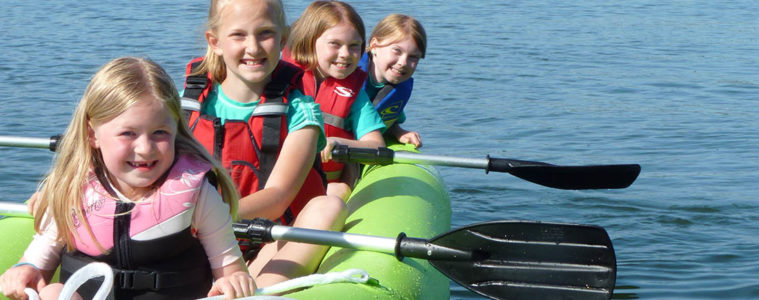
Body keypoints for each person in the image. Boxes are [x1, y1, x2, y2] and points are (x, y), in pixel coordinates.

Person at [0, 57, 255, 300]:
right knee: (52, 291)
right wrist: (25, 270)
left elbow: (232, 272)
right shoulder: (71, 191)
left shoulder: (199, 195)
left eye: (159, 132)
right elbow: (36, 266)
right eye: (128, 133)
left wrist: (233, 282)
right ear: (93, 135)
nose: (145, 148)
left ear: (176, 128)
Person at [182, 0, 347, 287]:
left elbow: (278, 197)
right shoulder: (187, 105)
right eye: (239, 35)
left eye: (265, 33)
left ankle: (260, 291)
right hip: (201, 244)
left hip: (269, 243)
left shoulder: (302, 112)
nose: (254, 47)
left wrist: (209, 219)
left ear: (283, 39)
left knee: (329, 206)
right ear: (215, 41)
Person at [286, 1, 386, 200]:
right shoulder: (281, 81)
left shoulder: (355, 95)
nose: (345, 54)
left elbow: (377, 147)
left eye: (354, 46)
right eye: (335, 44)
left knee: (337, 192)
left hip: (328, 187)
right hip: (283, 182)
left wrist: (338, 142)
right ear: (309, 41)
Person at [359, 14, 426, 148]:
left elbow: (387, 122)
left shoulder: (397, 89)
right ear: (374, 46)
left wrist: (398, 132)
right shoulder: (349, 76)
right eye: (396, 51)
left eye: (413, 57)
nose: (403, 63)